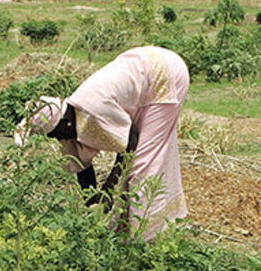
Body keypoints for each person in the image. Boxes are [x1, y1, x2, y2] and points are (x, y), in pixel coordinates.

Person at [14, 46, 189, 241]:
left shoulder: (93, 110)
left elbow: (130, 142)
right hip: (144, 71)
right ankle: (125, 234)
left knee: (144, 166)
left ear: (64, 122)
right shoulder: (71, 124)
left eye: (55, 134)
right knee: (133, 172)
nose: (57, 139)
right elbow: (82, 168)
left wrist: (108, 189)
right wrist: (93, 209)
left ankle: (147, 241)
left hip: (164, 75)